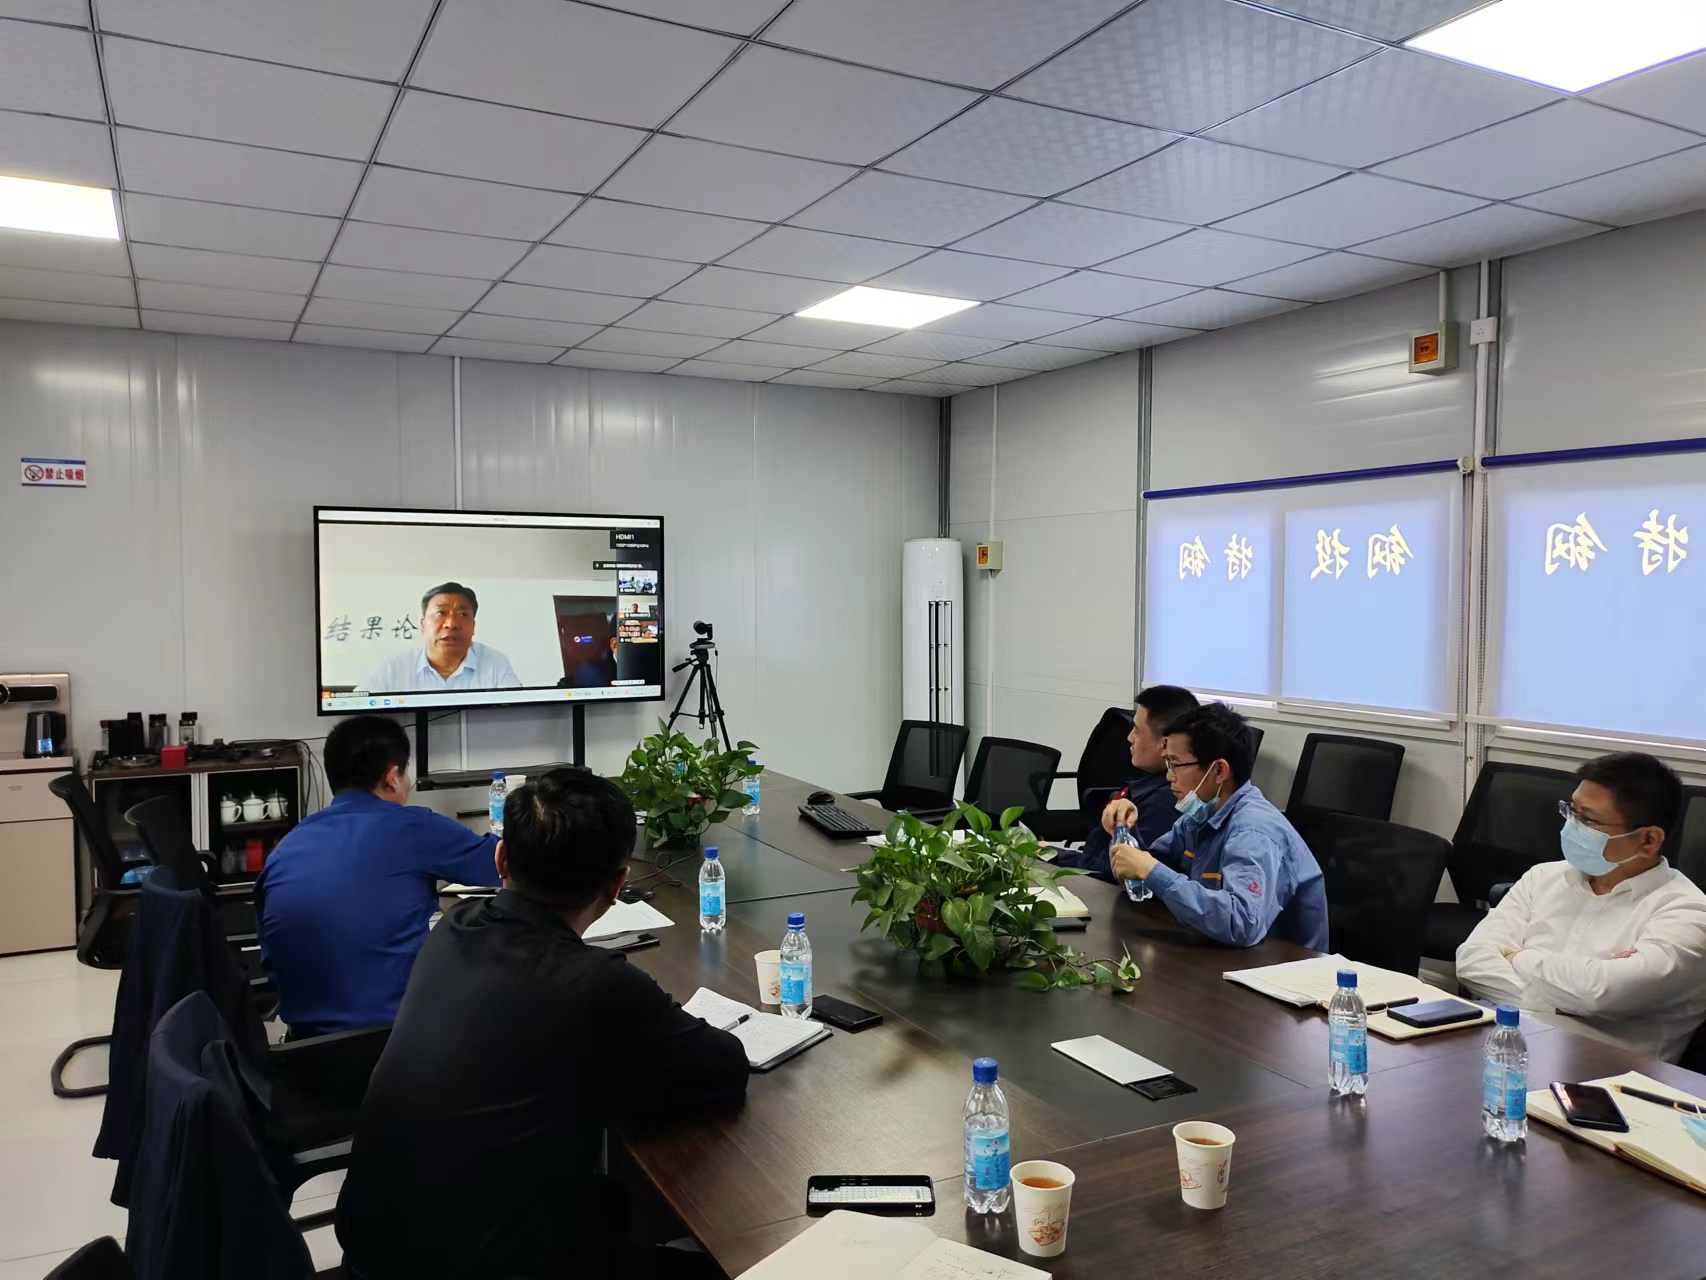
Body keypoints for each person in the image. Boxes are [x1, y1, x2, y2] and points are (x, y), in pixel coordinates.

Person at [336, 769, 747, 1280]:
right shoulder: (596, 983)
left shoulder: (455, 928)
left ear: (501, 860)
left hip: (372, 1254)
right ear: (617, 885)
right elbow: (725, 1068)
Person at [254, 715, 500, 1034]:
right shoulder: (413, 827)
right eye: (406, 774)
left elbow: (272, 964)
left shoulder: (284, 850)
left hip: (304, 1050)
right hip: (394, 1044)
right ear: (392, 778)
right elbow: (504, 863)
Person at [1456, 753, 1706, 1062]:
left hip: (1606, 1073)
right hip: (1504, 1047)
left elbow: (1604, 993)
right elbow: (1471, 960)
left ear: (1648, 840)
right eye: (1571, 810)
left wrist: (1517, 957)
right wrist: (1565, 1002)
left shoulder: (1688, 913)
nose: (1571, 826)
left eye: (1588, 820)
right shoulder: (1543, 877)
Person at [1111, 703, 1329, 950]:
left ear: (1218, 771)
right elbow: (1147, 879)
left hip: (1284, 964)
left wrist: (1151, 871)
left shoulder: (1254, 832)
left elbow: (1242, 923)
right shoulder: (1199, 816)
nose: (1169, 776)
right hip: (1225, 952)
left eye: (1175, 764)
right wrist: (1124, 833)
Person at [1051, 686, 1200, 883]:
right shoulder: (1146, 788)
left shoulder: (1164, 802)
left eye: (1136, 730)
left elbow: (1118, 876)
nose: (1129, 738)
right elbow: (1098, 862)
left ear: (1165, 744)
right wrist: (1054, 854)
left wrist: (1056, 858)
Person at [359, 582, 521, 693]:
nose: (451, 624)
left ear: (473, 626)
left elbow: (516, 713)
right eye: (440, 613)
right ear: (423, 625)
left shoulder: (495, 663)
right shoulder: (394, 667)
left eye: (462, 614)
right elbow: (356, 710)